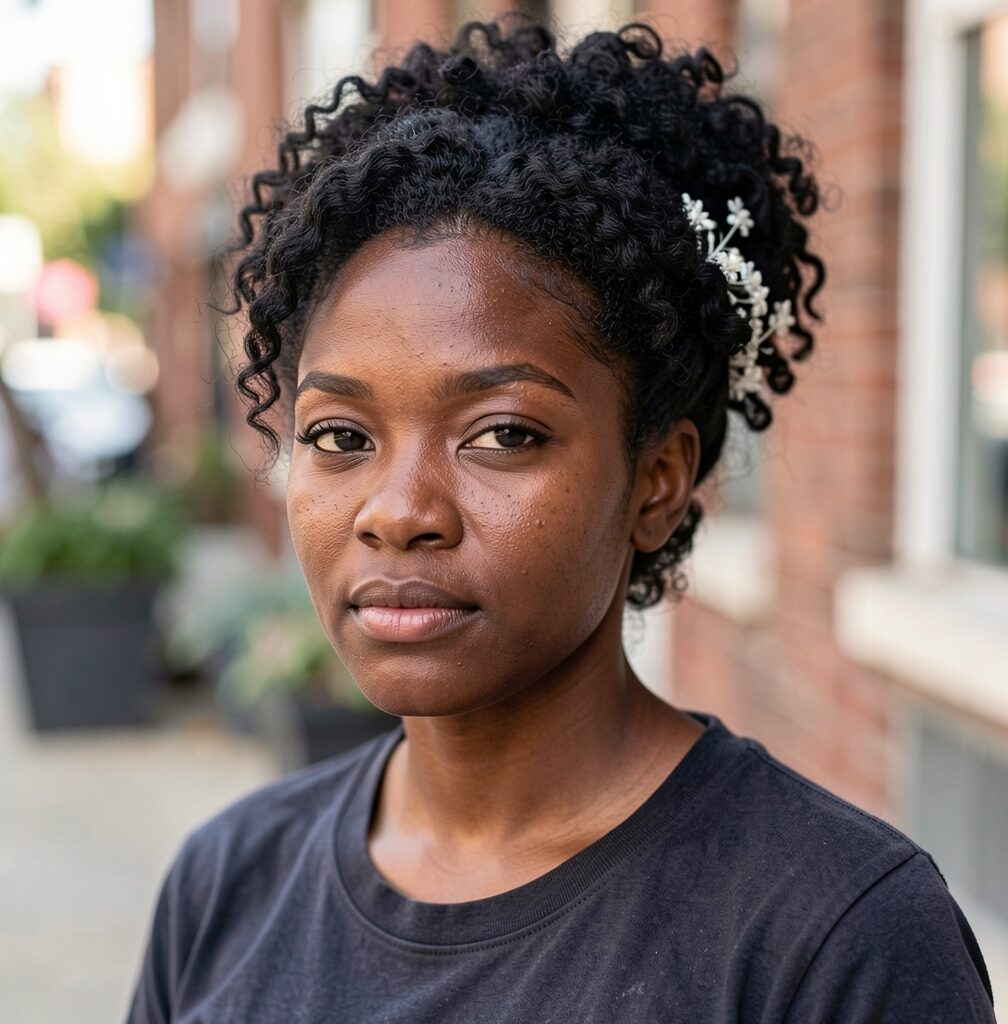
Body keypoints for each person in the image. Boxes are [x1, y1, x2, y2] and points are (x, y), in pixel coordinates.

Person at [126, 18, 997, 1023]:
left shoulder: (831, 940)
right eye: (339, 435)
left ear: (658, 479)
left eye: (501, 433)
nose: (398, 512)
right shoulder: (224, 884)